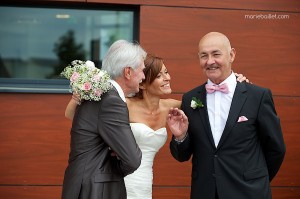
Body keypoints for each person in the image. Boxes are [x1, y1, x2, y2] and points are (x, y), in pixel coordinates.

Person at [65, 53, 249, 199]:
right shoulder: (122, 105)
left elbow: (209, 102)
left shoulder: (173, 106)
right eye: (159, 75)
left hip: (145, 183)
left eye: (166, 72)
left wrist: (234, 83)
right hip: (119, 179)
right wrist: (78, 97)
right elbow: (74, 116)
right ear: (143, 83)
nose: (167, 78)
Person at [167, 32, 286, 199]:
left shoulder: (257, 96)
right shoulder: (190, 99)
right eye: (204, 56)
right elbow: (182, 156)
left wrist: (258, 181)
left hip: (249, 192)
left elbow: (276, 149)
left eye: (216, 54)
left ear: (231, 55)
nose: (210, 61)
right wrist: (180, 136)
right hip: (205, 192)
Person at [61, 40, 145, 199]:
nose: (143, 76)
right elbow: (133, 159)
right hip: (95, 189)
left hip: (80, 184)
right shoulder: (111, 100)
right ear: (128, 72)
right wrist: (116, 167)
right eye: (142, 70)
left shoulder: (97, 93)